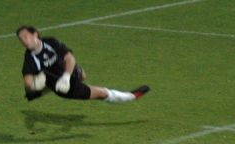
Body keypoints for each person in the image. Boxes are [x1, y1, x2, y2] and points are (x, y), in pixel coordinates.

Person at [16, 25, 149, 103]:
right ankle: (131, 96)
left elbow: (70, 58)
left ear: (35, 35)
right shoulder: (29, 58)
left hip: (67, 75)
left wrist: (66, 76)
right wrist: (33, 85)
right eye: (21, 40)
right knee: (101, 93)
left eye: (25, 36)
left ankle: (47, 88)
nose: (24, 41)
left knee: (82, 74)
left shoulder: (50, 42)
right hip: (64, 88)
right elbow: (27, 83)